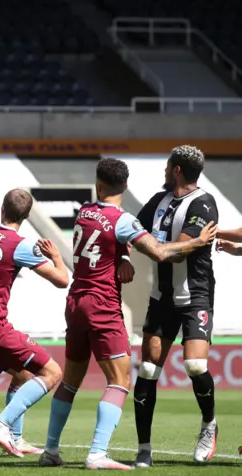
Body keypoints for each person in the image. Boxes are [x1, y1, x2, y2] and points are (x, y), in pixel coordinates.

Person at [39, 157, 217, 470]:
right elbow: (160, 252)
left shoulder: (84, 212)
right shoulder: (123, 220)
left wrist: (122, 253)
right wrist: (199, 242)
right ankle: (97, 453)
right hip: (102, 306)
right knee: (120, 381)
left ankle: (50, 450)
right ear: (125, 185)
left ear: (98, 183)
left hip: (75, 301)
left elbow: (107, 239)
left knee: (69, 382)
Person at [0, 188, 69, 457]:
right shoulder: (20, 244)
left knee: (23, 374)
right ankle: (1, 424)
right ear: (27, 216)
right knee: (52, 373)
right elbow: (62, 280)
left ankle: (16, 439)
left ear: (2, 209)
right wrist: (55, 256)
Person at [131, 146, 219, 466]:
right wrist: (125, 256)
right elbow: (131, 232)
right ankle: (144, 449)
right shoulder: (158, 200)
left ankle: (209, 425)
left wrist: (160, 247)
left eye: (168, 166)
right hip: (161, 297)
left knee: (195, 365)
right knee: (149, 369)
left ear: (177, 169)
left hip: (195, 295)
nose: (165, 171)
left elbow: (179, 251)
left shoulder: (203, 204)